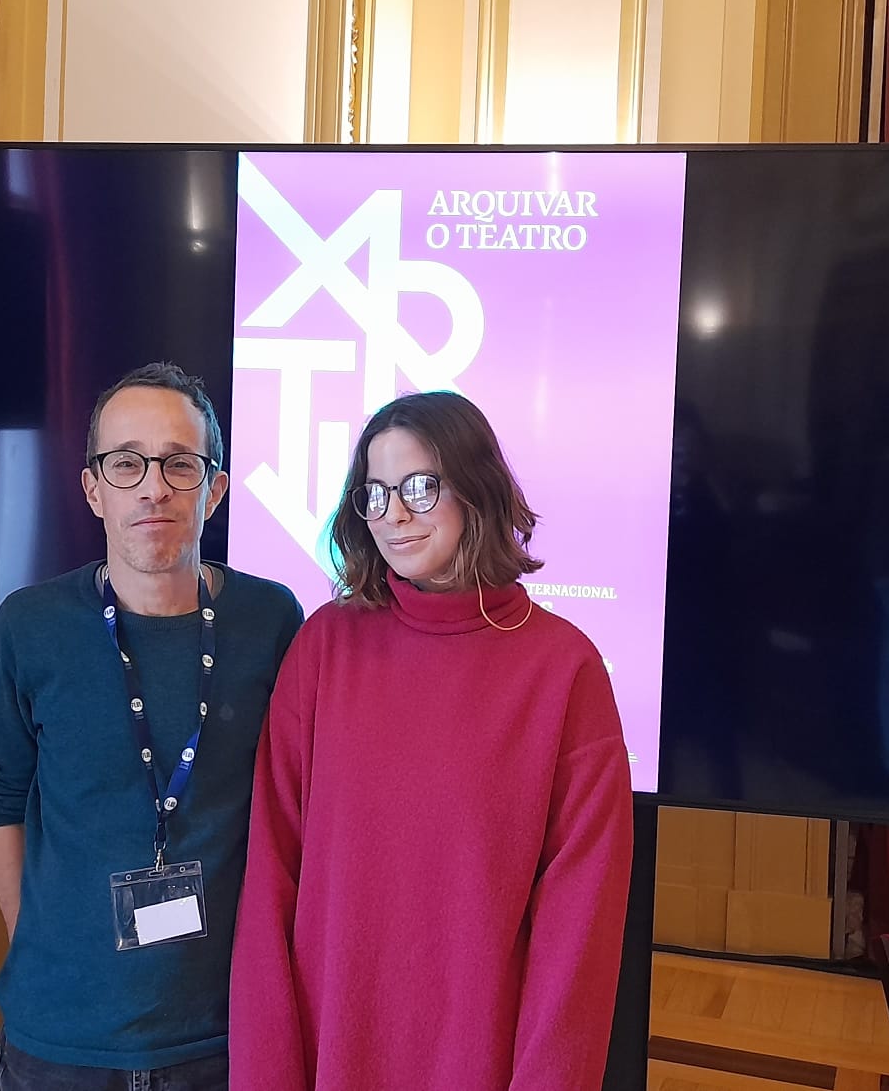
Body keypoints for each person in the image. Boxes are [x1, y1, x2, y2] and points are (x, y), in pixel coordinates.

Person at [229, 391, 636, 1090]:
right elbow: (271, 877)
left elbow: (579, 939)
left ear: (477, 487)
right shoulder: (325, 645)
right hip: (327, 1058)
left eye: (420, 485)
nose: (394, 513)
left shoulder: (564, 669)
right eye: (376, 493)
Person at [0, 362, 303, 1090]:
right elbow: (4, 796)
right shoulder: (30, 626)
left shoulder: (272, 620)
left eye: (179, 464)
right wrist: (36, 942)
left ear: (214, 487)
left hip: (221, 1035)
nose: (153, 486)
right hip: (57, 1041)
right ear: (94, 487)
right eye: (127, 463)